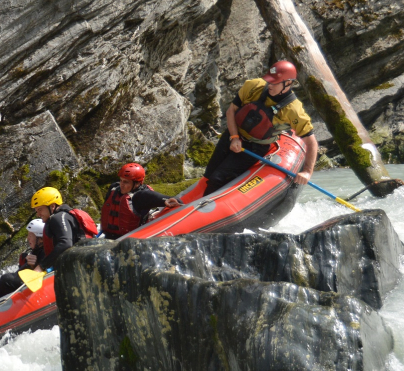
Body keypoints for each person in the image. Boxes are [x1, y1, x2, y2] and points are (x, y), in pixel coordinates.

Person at [202, 60, 318, 195]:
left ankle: (206, 207)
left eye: (275, 83)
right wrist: (234, 137)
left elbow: (311, 142)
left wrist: (307, 172)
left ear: (288, 83)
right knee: (210, 173)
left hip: (255, 147)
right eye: (269, 81)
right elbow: (231, 111)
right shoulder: (253, 86)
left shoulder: (294, 110)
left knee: (218, 178)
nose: (270, 85)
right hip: (232, 135)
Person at [100, 163, 181, 239]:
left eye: (126, 182)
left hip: (131, 240)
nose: (121, 184)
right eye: (121, 180)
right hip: (108, 237)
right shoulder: (114, 188)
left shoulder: (141, 196)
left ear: (137, 184)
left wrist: (166, 201)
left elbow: (175, 200)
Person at [28, 187, 98, 272]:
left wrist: (41, 266)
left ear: (52, 206)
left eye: (40, 209)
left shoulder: (57, 218)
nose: (38, 214)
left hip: (79, 266)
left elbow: (65, 243)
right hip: (85, 261)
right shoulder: (65, 215)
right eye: (36, 211)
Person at [0, 218, 46, 301]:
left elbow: (45, 270)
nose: (28, 238)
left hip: (35, 284)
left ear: (40, 239)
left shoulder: (45, 252)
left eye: (31, 235)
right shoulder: (36, 251)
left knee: (6, 279)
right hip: (21, 282)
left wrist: (34, 266)